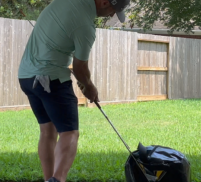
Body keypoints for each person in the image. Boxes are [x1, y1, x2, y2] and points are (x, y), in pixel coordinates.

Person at [17, 0, 130, 181]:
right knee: (69, 133)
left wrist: (84, 83)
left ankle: (49, 180)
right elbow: (80, 68)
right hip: (52, 80)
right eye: (112, 10)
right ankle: (58, 179)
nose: (111, 15)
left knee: (47, 130)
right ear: (103, 2)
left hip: (26, 78)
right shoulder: (85, 27)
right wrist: (89, 87)